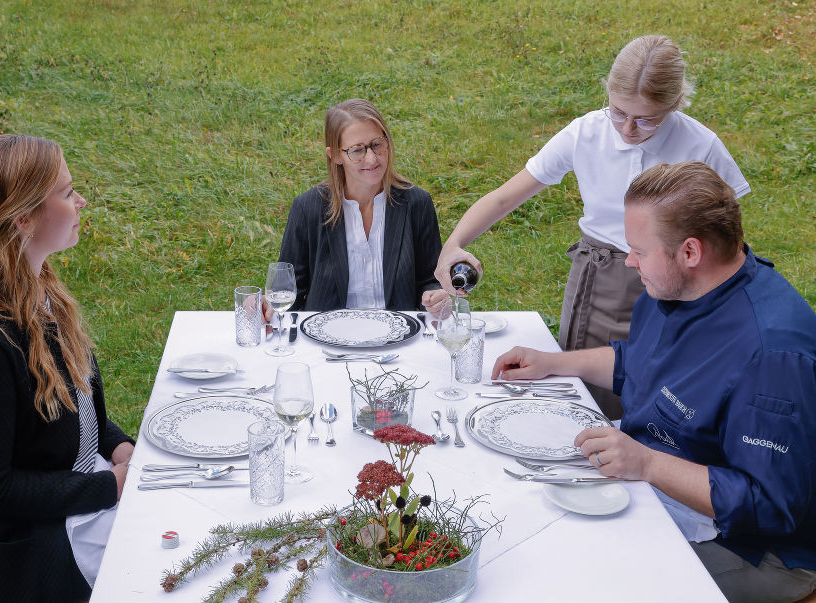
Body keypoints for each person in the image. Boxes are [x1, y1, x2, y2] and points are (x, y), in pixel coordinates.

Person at [492, 162, 816, 603]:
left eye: (639, 251)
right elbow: (639, 364)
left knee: (577, 574)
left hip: (756, 551)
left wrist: (646, 464)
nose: (629, 261)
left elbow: (768, 506)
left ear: (690, 252)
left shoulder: (772, 354)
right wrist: (553, 362)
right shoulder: (678, 288)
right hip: (656, 481)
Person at [435, 35, 750, 418]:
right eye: (618, 112)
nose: (629, 128)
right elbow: (505, 197)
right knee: (584, 394)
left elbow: (728, 233)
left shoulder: (701, 145)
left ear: (674, 103)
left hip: (676, 281)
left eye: (646, 119)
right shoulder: (587, 132)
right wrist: (454, 243)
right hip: (600, 279)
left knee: (666, 393)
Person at [0, 134, 135, 602]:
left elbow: (72, 405)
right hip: (31, 546)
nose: (79, 201)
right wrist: (104, 488)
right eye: (66, 192)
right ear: (24, 219)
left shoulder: (40, 289)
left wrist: (116, 445)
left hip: (76, 493)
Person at [278, 98, 447, 312]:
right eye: (357, 150)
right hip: (329, 339)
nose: (372, 159)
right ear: (336, 156)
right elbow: (288, 293)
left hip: (399, 338)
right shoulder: (308, 208)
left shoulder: (417, 204)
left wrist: (435, 298)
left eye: (377, 144)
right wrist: (264, 306)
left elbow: (430, 280)